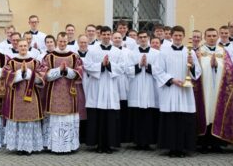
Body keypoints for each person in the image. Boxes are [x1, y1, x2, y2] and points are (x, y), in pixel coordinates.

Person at [156, 25, 202, 158]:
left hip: (185, 91)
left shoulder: (190, 52)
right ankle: (171, 148)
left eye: (180, 35)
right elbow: (158, 70)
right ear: (171, 36)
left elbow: (197, 73)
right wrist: (171, 80)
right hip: (170, 89)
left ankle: (182, 148)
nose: (177, 37)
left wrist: (192, 65)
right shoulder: (164, 52)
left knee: (184, 119)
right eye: (175, 35)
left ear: (183, 36)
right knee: (170, 120)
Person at [193, 28, 233, 153]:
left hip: (219, 89)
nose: (212, 38)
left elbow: (230, 69)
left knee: (217, 113)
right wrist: (205, 65)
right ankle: (203, 144)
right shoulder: (199, 52)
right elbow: (194, 71)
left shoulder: (223, 52)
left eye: (214, 36)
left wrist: (217, 65)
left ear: (217, 37)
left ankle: (216, 144)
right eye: (209, 36)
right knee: (205, 113)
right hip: (204, 89)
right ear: (205, 37)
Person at [83, 26, 125, 154]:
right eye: (104, 34)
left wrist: (110, 65)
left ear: (111, 35)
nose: (106, 36)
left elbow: (122, 67)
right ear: (100, 35)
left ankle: (109, 144)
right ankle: (98, 144)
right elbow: (87, 66)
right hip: (97, 86)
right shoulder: (92, 50)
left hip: (111, 87)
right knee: (98, 117)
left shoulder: (118, 51)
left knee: (110, 118)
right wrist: (101, 65)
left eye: (108, 34)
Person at [1, 38, 45, 155]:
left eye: (25, 46)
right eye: (21, 46)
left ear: (28, 46)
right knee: (18, 119)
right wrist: (21, 74)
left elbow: (42, 75)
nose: (23, 48)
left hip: (32, 96)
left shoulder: (35, 62)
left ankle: (29, 146)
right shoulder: (11, 62)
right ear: (17, 47)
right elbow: (5, 75)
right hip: (16, 96)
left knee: (30, 119)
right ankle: (19, 147)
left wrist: (30, 74)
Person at [41, 32, 84, 154]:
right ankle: (54, 146)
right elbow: (44, 74)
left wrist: (67, 71)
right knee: (55, 119)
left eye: (65, 41)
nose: (62, 43)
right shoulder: (49, 57)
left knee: (68, 119)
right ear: (57, 41)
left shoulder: (74, 56)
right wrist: (59, 70)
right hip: (53, 93)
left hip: (70, 93)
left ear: (67, 41)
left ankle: (68, 146)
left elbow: (80, 72)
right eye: (60, 41)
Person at [125, 31, 161, 150]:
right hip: (136, 87)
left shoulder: (157, 53)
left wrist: (148, 66)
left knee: (149, 115)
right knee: (137, 115)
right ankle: (138, 141)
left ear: (148, 38)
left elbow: (160, 70)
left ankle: (148, 141)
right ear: (137, 39)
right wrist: (139, 65)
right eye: (140, 37)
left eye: (145, 37)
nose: (143, 39)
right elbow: (127, 70)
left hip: (151, 88)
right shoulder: (131, 53)